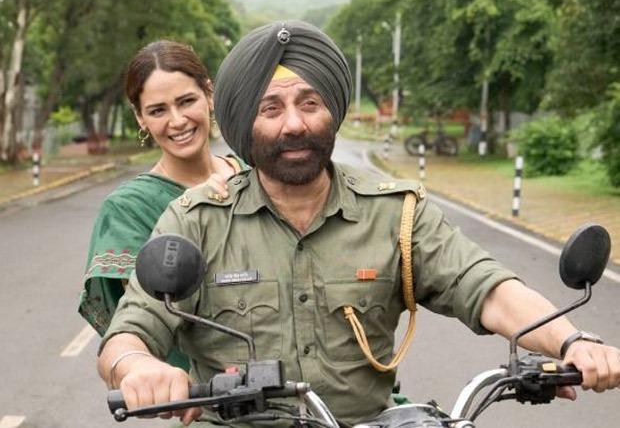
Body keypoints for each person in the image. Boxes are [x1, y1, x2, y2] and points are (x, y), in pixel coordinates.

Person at [97, 22, 620, 427]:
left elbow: (485, 286)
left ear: (333, 111)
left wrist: (572, 341)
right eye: (270, 108)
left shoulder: (397, 212)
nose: (294, 123)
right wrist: (139, 367)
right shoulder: (196, 219)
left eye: (310, 103)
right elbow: (130, 330)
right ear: (244, 122)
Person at [79, 40, 248, 369]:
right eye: (158, 110)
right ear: (140, 117)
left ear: (209, 95)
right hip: (200, 388)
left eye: (186, 101)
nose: (178, 120)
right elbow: (143, 319)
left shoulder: (254, 173)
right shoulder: (129, 208)